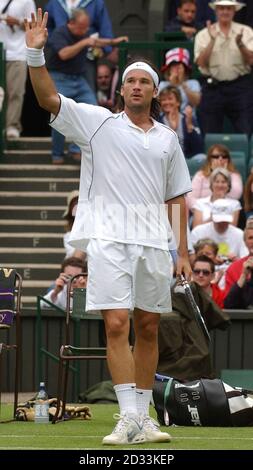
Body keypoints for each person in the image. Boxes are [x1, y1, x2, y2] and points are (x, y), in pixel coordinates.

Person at [25, 9, 192, 445]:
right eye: (131, 81)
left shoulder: (167, 139)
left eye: (144, 82)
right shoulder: (96, 122)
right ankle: (129, 417)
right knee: (117, 324)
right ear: (121, 90)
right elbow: (47, 99)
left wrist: (185, 252)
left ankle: (146, 415)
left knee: (149, 326)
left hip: (154, 240)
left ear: (155, 91)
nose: (136, 86)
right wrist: (34, 52)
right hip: (109, 238)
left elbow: (176, 197)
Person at [46, 8, 127, 163]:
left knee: (93, 110)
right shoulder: (59, 33)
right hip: (60, 77)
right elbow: (64, 54)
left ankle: (76, 149)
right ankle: (57, 153)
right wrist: (84, 42)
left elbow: (95, 41)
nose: (84, 31)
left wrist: (113, 42)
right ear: (71, 23)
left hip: (79, 78)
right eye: (82, 27)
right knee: (59, 114)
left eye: (86, 27)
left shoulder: (84, 33)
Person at [194, 0, 253, 134]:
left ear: (234, 10)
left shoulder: (246, 32)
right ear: (216, 10)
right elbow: (201, 63)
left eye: (229, 8)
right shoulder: (204, 34)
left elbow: (251, 60)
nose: (225, 12)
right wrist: (212, 40)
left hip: (240, 87)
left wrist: (240, 44)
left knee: (245, 130)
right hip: (213, 87)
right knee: (210, 132)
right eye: (222, 8)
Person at [0, 0, 36, 139]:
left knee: (15, 92)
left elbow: (34, 26)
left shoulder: (27, 1)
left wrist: (17, 21)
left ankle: (12, 126)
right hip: (0, 51)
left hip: (18, 53)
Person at [186, 143, 243, 211]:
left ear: (228, 159)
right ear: (210, 159)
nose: (220, 159)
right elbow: (190, 198)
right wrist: (204, 211)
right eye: (216, 156)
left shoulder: (234, 175)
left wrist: (223, 173)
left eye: (224, 156)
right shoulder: (200, 175)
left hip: (227, 211)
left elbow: (236, 195)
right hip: (202, 212)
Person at [158, 85, 205, 162]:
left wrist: (189, 126)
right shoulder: (157, 121)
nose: (167, 102)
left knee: (201, 157)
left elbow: (199, 148)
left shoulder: (188, 118)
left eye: (170, 99)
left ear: (178, 102)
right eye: (163, 100)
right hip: (165, 160)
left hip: (186, 159)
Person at [159, 47, 201, 118]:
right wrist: (172, 85)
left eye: (179, 65)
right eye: (173, 66)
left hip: (188, 122)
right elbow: (158, 107)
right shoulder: (162, 85)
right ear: (168, 69)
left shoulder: (193, 83)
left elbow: (196, 102)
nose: (177, 69)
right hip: (165, 123)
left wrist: (182, 84)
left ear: (185, 69)